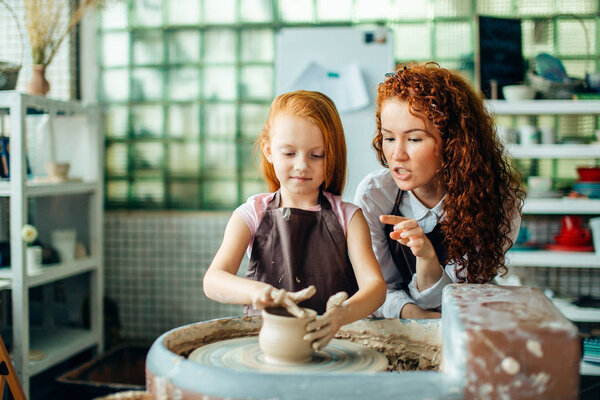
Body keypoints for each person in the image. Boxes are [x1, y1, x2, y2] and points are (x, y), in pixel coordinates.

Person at [203, 90, 386, 349]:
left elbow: (376, 288)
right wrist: (260, 293)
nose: (302, 165)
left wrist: (340, 316)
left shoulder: (349, 218)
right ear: (268, 151)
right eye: (289, 153)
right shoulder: (250, 215)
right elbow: (213, 281)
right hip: (268, 345)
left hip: (336, 344)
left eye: (316, 155)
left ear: (332, 155)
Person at [354, 63, 525, 319]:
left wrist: (426, 257)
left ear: (455, 143)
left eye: (414, 139)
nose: (397, 155)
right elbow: (377, 290)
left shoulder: (498, 203)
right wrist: (413, 314)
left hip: (466, 324)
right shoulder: (375, 194)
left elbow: (456, 299)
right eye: (389, 138)